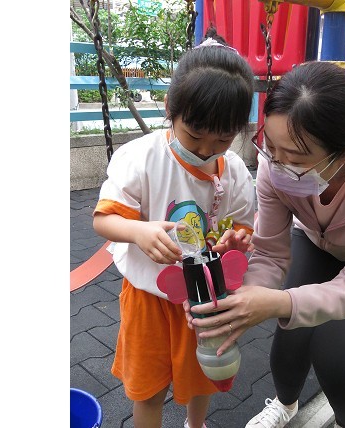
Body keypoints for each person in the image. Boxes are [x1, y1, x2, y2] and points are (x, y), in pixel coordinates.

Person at [187, 61, 345, 428]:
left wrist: (279, 301)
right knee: (289, 337)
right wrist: (242, 301)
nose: (276, 165)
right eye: (270, 147)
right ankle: (285, 404)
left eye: (294, 158)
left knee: (331, 356)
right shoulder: (273, 166)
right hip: (314, 241)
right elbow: (270, 251)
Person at [92, 28, 256, 428]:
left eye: (222, 140)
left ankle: (195, 424)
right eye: (194, 135)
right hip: (148, 297)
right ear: (170, 108)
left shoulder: (234, 171)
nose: (205, 150)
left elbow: (240, 227)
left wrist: (235, 240)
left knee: (202, 377)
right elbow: (103, 219)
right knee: (147, 388)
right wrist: (138, 232)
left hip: (204, 297)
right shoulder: (141, 158)